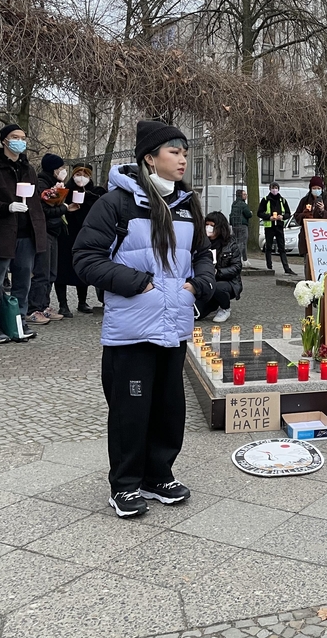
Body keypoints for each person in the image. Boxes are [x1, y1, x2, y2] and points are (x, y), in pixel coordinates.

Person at [73, 120, 215, 518]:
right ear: (150, 158)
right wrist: (139, 284)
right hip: (132, 330)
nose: (183, 158)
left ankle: (158, 476)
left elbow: (203, 254)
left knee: (169, 408)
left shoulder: (187, 203)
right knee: (130, 411)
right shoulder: (116, 203)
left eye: (185, 152)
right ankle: (125, 485)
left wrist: (198, 284)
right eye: (174, 151)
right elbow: (85, 259)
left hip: (174, 327)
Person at [0, 124, 48, 344]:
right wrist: (7, 206)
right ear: (4, 140)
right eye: (15, 137)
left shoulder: (28, 168)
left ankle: (18, 322)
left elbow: (34, 201)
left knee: (23, 281)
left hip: (27, 233)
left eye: (23, 138)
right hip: (1, 233)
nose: (20, 141)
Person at [28, 153, 76, 322]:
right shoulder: (42, 183)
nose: (63, 171)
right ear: (54, 169)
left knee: (51, 273)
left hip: (54, 231)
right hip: (45, 231)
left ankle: (44, 305)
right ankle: (34, 308)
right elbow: (46, 210)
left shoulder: (53, 184)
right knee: (42, 272)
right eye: (61, 168)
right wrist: (65, 208)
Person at [56, 163, 105, 314]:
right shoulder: (65, 190)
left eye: (85, 175)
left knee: (82, 267)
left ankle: (82, 302)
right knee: (62, 269)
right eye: (78, 174)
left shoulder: (95, 192)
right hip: (65, 234)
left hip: (85, 235)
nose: (81, 177)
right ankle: (63, 304)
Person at [197, 211, 243, 322]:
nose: (208, 228)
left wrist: (218, 272)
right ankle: (213, 304)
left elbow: (237, 267)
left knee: (217, 288)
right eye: (207, 225)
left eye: (212, 226)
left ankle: (225, 308)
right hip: (205, 281)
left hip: (228, 282)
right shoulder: (200, 243)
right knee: (197, 313)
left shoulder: (230, 244)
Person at [294, 176, 327, 278]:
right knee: (307, 262)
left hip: (321, 238)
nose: (316, 190)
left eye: (318, 188)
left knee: (320, 262)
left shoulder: (326, 201)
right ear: (310, 188)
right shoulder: (304, 201)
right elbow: (296, 216)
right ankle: (308, 282)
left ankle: (320, 283)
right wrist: (304, 214)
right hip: (307, 237)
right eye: (314, 188)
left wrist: (322, 211)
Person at [257, 182, 294, 275]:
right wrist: (269, 217)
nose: (274, 190)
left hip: (279, 226)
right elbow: (259, 213)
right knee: (268, 247)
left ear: (278, 189)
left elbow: (288, 213)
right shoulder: (265, 200)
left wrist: (282, 217)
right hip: (269, 226)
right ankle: (269, 267)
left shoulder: (283, 200)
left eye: (276, 188)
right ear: (270, 189)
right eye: (273, 188)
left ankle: (286, 268)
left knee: (282, 247)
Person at [229, 189, 253, 264]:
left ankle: (243, 259)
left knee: (236, 241)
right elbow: (248, 214)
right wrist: (251, 213)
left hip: (235, 225)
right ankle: (239, 258)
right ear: (241, 196)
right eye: (244, 194)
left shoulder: (234, 204)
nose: (246, 196)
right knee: (242, 242)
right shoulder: (243, 205)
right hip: (242, 225)